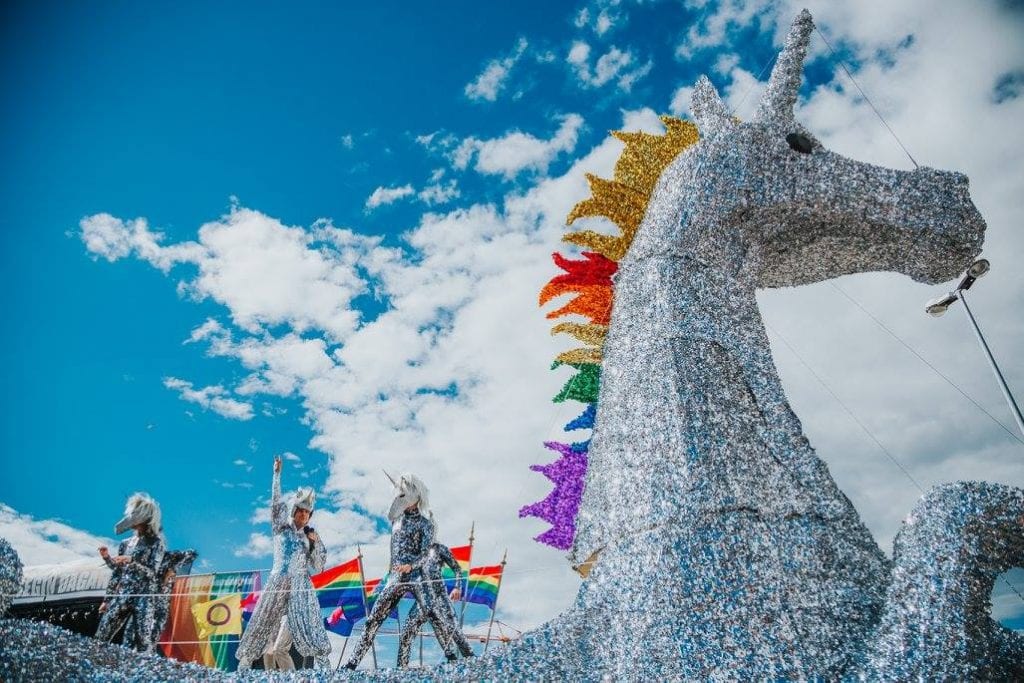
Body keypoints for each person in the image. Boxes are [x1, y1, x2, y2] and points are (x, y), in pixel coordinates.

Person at [235, 456, 331, 670]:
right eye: (301, 510)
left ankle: (324, 664)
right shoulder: (281, 528)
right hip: (278, 579)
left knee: (309, 621)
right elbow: (276, 502)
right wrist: (276, 475)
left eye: (307, 512)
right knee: (262, 619)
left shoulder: (311, 537)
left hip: (300, 584)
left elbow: (317, 567)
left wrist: (314, 545)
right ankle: (245, 661)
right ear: (294, 511)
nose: (304, 515)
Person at [345, 473, 434, 670]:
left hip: (418, 578)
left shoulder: (426, 524)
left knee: (413, 625)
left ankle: (402, 667)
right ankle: (352, 663)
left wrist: (412, 566)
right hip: (395, 577)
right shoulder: (397, 522)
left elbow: (427, 553)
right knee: (373, 619)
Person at [95, 492, 166, 653]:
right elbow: (117, 572)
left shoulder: (156, 543)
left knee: (143, 640)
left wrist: (132, 562)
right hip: (124, 594)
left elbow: (153, 573)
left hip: (144, 597)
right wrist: (107, 599)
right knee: (103, 631)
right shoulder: (125, 543)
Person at [396, 541, 475, 667]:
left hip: (439, 597)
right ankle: (401, 669)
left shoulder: (439, 548)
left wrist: (457, 587)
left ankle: (471, 660)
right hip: (421, 600)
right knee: (407, 631)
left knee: (453, 631)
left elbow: (457, 568)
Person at [146, 548, 197, 651]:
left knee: (159, 624)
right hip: (155, 600)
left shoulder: (174, 570)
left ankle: (151, 646)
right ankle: (145, 646)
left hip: (164, 602)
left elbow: (192, 554)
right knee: (150, 623)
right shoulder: (163, 567)